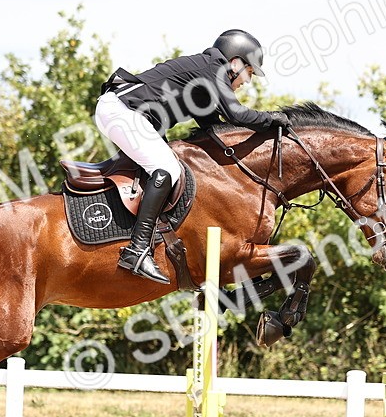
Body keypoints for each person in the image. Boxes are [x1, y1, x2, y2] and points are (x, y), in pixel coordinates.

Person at [94, 29, 291, 284]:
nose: (247, 81)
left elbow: (215, 129)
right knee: (167, 169)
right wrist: (272, 118)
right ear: (235, 63)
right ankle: (137, 250)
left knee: (176, 170)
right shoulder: (214, 69)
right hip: (122, 111)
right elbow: (236, 115)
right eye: (249, 72)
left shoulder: (206, 77)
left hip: (129, 114)